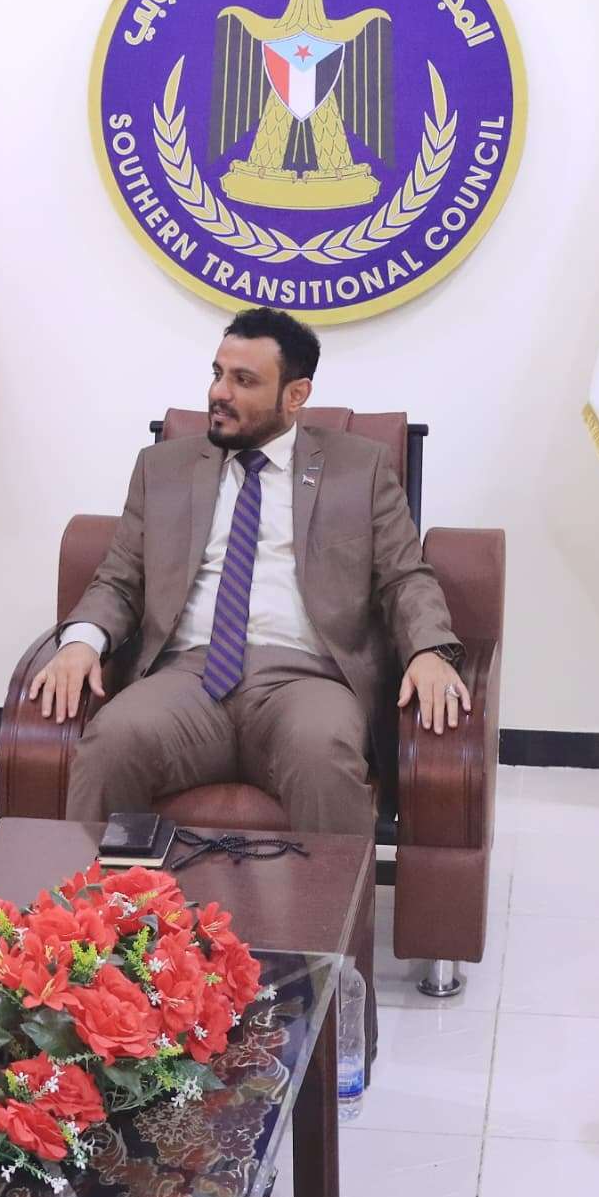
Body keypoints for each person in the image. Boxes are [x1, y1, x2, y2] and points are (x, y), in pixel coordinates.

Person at [30, 306, 466, 835]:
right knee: (112, 741)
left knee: (322, 753)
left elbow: (404, 577)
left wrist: (428, 651)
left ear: (295, 395)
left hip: (307, 680)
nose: (219, 393)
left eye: (244, 380)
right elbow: (119, 579)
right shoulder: (162, 468)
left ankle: (331, 896)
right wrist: (81, 642)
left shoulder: (360, 469)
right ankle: (108, 892)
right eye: (217, 374)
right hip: (187, 677)